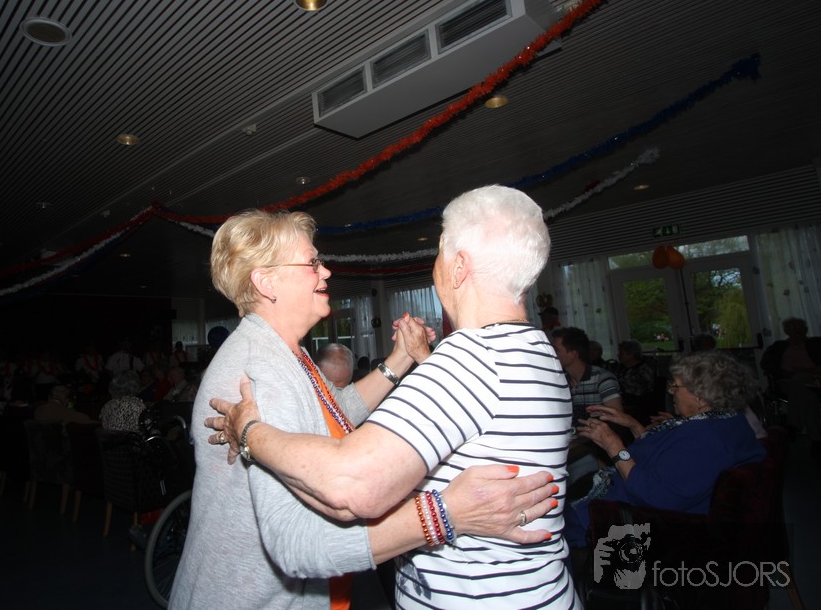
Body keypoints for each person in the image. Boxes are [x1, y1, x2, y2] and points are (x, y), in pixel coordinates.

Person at [172, 205, 559, 610]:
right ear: (267, 281)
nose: (326, 272)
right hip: (251, 596)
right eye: (312, 263)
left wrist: (400, 358)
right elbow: (297, 536)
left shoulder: (287, 352)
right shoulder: (259, 369)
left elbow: (335, 411)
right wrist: (446, 514)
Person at [563, 350, 766, 548]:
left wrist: (613, 446)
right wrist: (634, 425)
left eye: (676, 386)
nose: (670, 391)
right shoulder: (727, 422)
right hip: (632, 502)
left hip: (634, 521)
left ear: (701, 397)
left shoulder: (706, 440)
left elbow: (654, 497)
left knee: (556, 518)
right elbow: (669, 459)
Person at [760, 316, 821, 452]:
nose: (796, 331)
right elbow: (766, 364)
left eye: (799, 328)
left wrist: (805, 370)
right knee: (809, 395)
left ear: (805, 329)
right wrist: (783, 373)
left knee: (802, 381)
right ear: (786, 331)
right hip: (787, 382)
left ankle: (793, 425)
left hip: (814, 380)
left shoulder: (816, 344)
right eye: (792, 328)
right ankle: (816, 440)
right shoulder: (779, 346)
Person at [552, 326, 624, 422]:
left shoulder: (603, 379)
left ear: (573, 354)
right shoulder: (560, 380)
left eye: (555, 350)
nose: (551, 353)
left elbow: (618, 419)